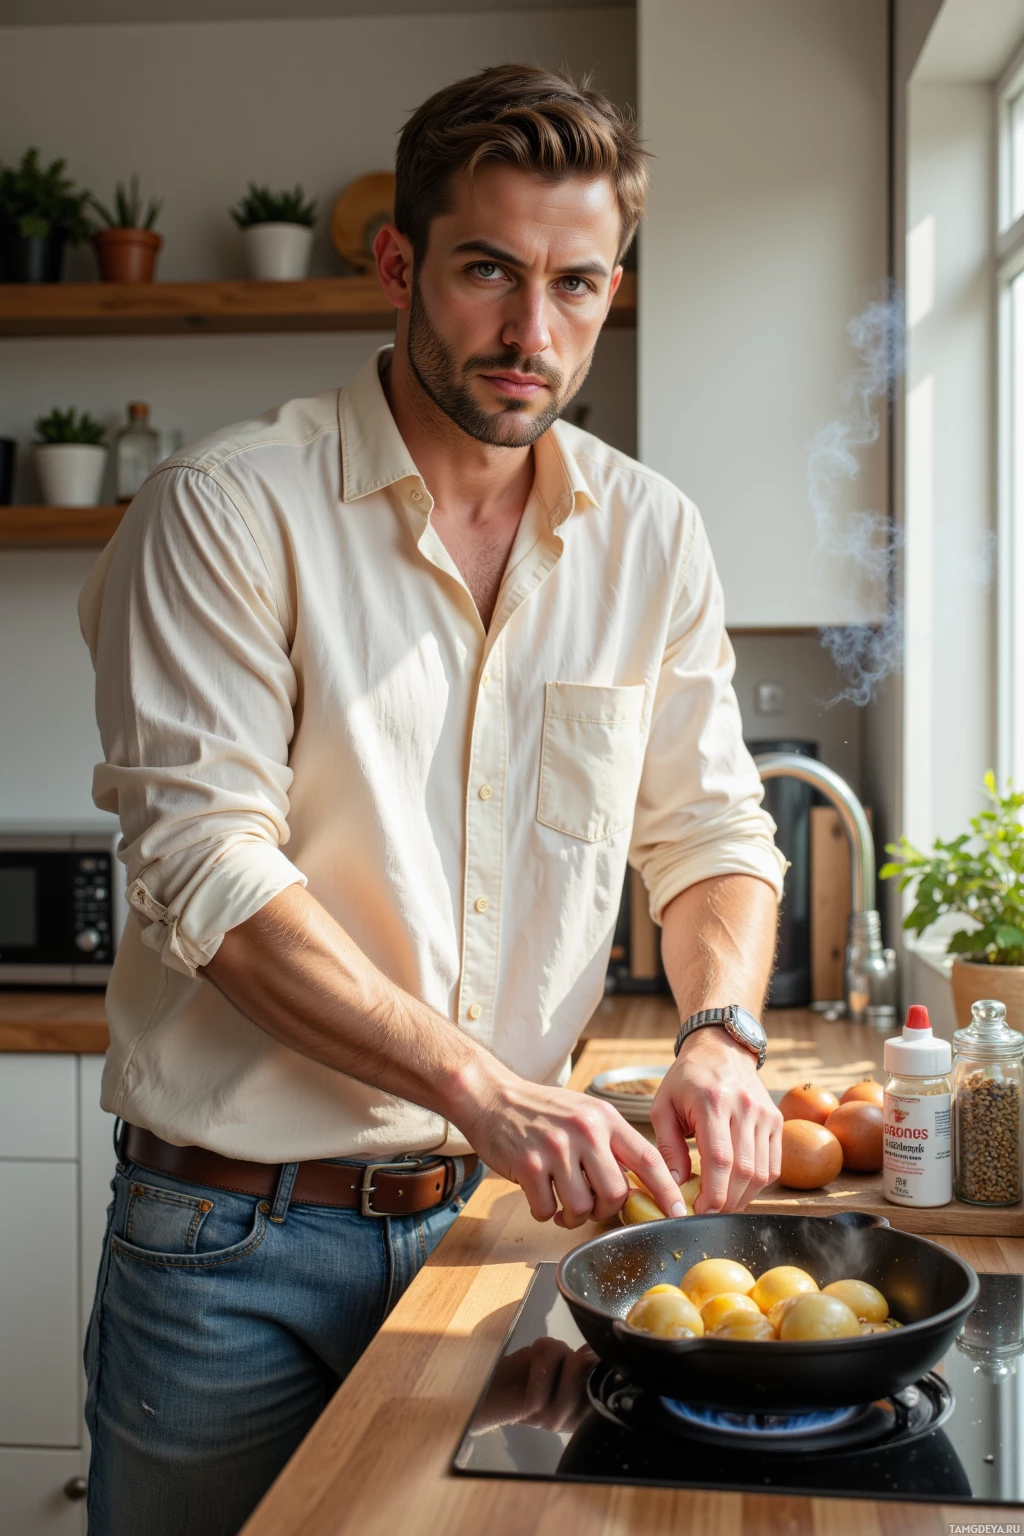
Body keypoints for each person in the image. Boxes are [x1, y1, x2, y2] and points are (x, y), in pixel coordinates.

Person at [78, 62, 785, 1536]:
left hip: (501, 1231)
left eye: (579, 286)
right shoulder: (227, 510)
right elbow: (211, 875)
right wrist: (488, 1087)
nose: (536, 333)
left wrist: (720, 1031)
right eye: (489, 273)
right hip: (232, 1248)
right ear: (398, 264)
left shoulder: (651, 537)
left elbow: (711, 833)